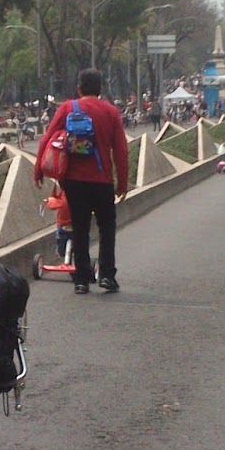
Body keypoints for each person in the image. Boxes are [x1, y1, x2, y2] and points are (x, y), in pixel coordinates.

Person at [34, 68, 129, 294]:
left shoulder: (68, 108)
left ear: (79, 88)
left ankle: (81, 279)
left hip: (73, 181)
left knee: (79, 227)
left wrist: (38, 169)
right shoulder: (110, 111)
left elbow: (46, 139)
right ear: (100, 88)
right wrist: (123, 182)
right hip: (102, 179)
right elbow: (121, 150)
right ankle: (106, 276)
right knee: (107, 227)